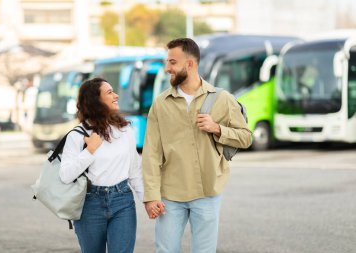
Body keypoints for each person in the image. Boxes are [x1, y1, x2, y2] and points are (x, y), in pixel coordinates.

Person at [142, 38, 252, 253]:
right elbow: (151, 153)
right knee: (165, 250)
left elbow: (246, 137)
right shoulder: (160, 104)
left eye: (172, 62)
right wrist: (151, 195)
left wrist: (217, 129)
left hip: (208, 192)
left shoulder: (222, 99)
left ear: (189, 64)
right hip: (170, 194)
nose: (167, 68)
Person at [59, 77, 143, 253]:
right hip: (89, 204)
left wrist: (147, 200)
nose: (116, 95)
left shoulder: (125, 130)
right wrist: (89, 151)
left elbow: (134, 170)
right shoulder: (77, 135)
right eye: (110, 92)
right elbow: (65, 175)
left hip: (123, 201)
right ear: (95, 100)